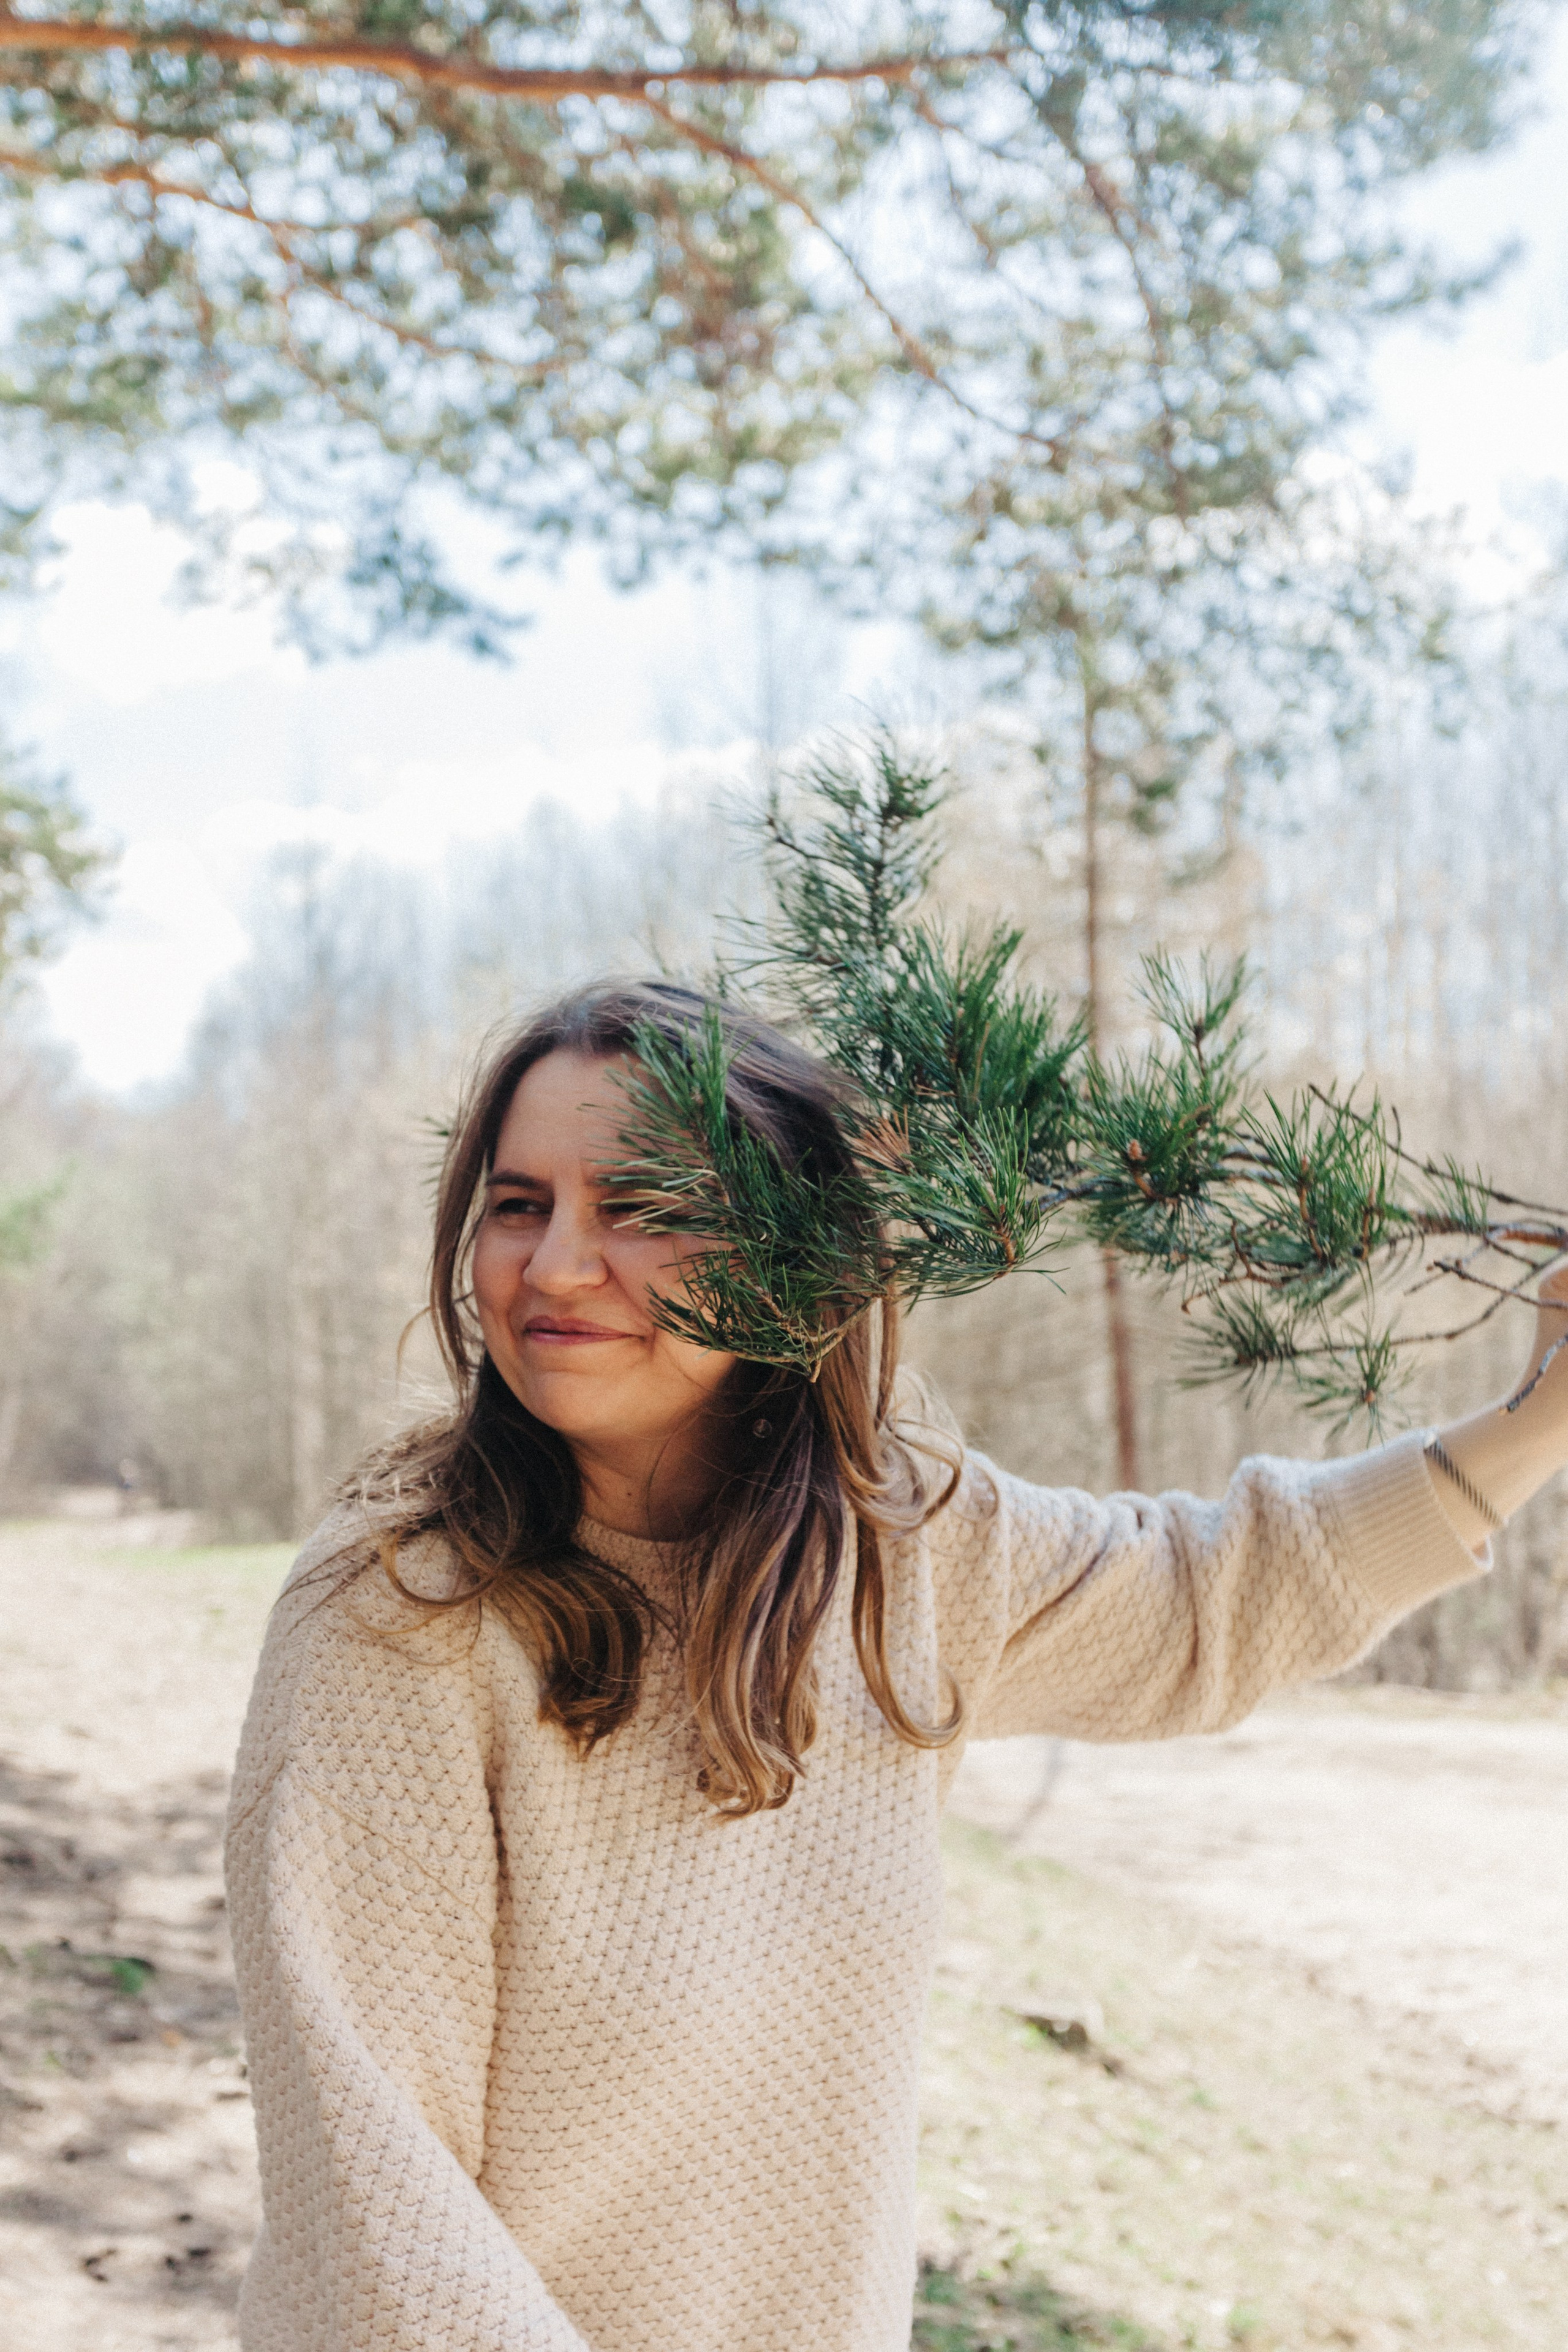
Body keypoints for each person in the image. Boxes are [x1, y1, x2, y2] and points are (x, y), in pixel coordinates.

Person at [225, 981, 1567, 2352]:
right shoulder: (398, 1608)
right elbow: (377, 2203)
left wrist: (1540, 1414)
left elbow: (1216, 1595)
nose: (556, 1266)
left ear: (792, 1251)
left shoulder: (900, 1544)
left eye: (639, 1205)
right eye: (518, 1204)